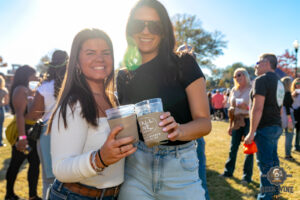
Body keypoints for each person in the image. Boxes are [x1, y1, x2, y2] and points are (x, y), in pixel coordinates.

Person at [116, 1, 211, 199]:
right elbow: (127, 126)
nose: (145, 31)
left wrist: (179, 130)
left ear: (164, 31)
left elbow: (204, 122)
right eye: (138, 24)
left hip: (180, 168)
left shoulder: (183, 63)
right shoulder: (124, 75)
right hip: (136, 168)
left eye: (154, 25)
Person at [47, 28, 137, 200]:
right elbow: (60, 169)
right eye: (90, 53)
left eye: (106, 52)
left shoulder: (115, 101)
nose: (100, 58)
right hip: (74, 196)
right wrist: (100, 158)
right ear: (77, 63)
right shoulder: (74, 104)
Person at [26, 50, 68, 199]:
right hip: (71, 132)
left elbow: (33, 114)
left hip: (48, 134)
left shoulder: (45, 87)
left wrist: (31, 101)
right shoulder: (74, 85)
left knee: (49, 180)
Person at [245, 53, 284, 200]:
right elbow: (280, 108)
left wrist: (251, 132)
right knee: (274, 162)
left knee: (266, 165)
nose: (255, 65)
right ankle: (274, 192)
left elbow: (257, 108)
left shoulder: (261, 80)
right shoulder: (279, 82)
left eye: (258, 62)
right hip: (276, 126)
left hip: (265, 127)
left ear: (267, 63)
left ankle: (265, 196)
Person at [176, 44, 210, 200]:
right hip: (176, 139)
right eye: (182, 53)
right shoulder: (172, 78)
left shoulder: (196, 78)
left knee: (199, 178)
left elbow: (203, 119)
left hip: (194, 135)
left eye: (190, 54)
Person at [5, 65, 41, 200]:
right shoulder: (21, 90)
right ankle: (10, 195)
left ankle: (32, 195)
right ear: (26, 75)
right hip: (23, 130)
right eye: (34, 74)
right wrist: (22, 137)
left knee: (34, 163)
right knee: (16, 163)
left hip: (29, 130)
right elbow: (20, 114)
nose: (36, 77)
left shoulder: (27, 89)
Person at [221, 68, 253, 184]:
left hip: (249, 120)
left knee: (249, 149)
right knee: (233, 147)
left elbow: (257, 108)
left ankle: (246, 177)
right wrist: (230, 125)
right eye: (235, 76)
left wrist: (247, 108)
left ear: (245, 76)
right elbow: (230, 109)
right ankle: (228, 172)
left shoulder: (252, 89)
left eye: (239, 75)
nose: (237, 78)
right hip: (236, 120)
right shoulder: (233, 90)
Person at [280, 76, 295, 161]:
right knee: (289, 136)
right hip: (288, 117)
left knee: (277, 135)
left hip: (281, 116)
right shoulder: (288, 95)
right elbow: (288, 109)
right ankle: (288, 155)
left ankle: (273, 152)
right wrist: (290, 121)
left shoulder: (280, 94)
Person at [291, 78, 300, 152]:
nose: (298, 85)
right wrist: (292, 95)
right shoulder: (292, 92)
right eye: (297, 84)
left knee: (298, 131)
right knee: (292, 130)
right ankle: (292, 146)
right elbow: (288, 102)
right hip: (293, 113)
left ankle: (297, 145)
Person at [0, 75, 9, 146]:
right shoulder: (4, 91)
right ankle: (0, 142)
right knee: (0, 126)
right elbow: (6, 102)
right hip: (0, 109)